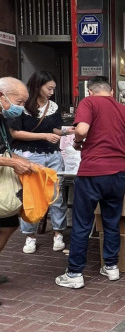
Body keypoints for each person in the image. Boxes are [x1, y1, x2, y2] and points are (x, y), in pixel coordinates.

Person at [55, 77, 125, 289]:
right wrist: (123, 155)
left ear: (90, 91)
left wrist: (79, 143)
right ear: (112, 91)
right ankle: (111, 266)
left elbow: (81, 130)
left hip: (92, 173)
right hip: (117, 175)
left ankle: (75, 273)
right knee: (111, 221)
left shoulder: (88, 103)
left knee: (82, 223)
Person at [8, 70, 73, 254]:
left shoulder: (52, 106)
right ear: (38, 86)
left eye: (53, 88)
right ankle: (30, 236)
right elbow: (15, 133)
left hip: (53, 155)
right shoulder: (22, 105)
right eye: (49, 88)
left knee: (56, 196)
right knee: (31, 196)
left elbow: (54, 128)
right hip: (28, 156)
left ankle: (58, 233)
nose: (52, 92)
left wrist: (68, 131)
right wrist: (44, 135)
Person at [0, 78, 36, 296]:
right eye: (19, 102)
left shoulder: (3, 118)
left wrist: (24, 161)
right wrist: (13, 162)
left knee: (8, 225)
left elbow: (4, 149)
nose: (20, 108)